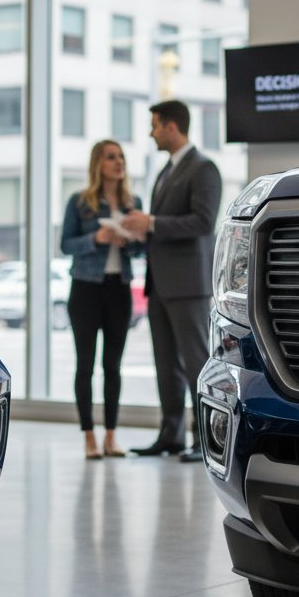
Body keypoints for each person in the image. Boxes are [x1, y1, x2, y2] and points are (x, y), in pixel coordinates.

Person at [122, 99, 222, 462]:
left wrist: (151, 223)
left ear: (172, 126)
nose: (151, 133)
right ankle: (172, 435)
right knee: (166, 364)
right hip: (161, 283)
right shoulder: (167, 170)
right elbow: (164, 227)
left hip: (188, 284)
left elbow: (203, 222)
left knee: (197, 363)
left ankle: (205, 440)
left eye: (155, 125)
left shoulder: (203, 168)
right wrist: (140, 230)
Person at [60, 139, 143, 460]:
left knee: (113, 365)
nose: (118, 162)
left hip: (118, 288)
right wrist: (96, 238)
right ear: (99, 164)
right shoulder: (80, 202)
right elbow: (66, 244)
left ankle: (111, 436)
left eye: (121, 156)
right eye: (111, 157)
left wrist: (130, 243)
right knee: (85, 366)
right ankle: (89, 437)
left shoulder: (133, 202)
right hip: (85, 288)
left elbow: (142, 249)